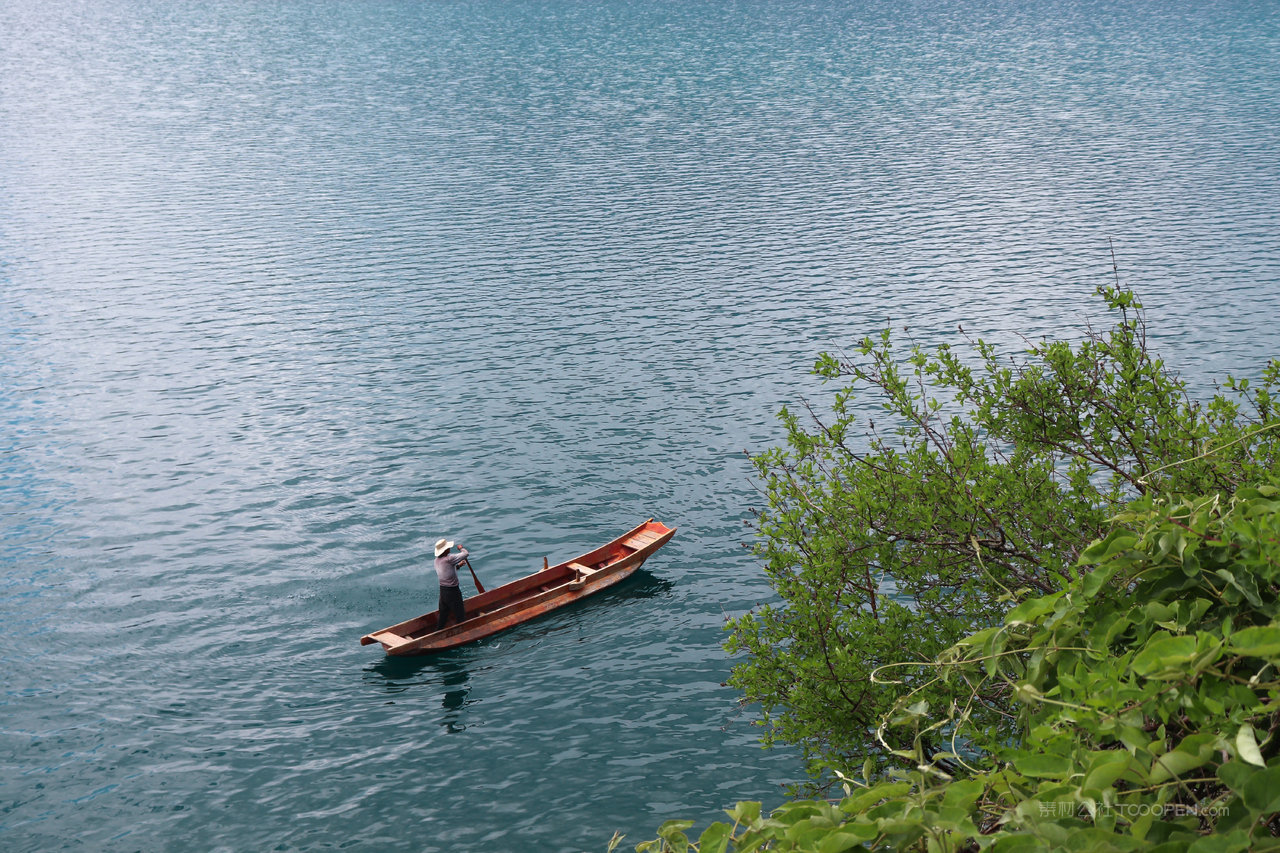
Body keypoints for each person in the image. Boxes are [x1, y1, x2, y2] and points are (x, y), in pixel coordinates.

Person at [433, 538, 470, 629]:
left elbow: (447, 572)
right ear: (445, 550)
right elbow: (466, 554)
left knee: (443, 615)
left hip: (443, 592)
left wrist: (458, 566)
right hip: (453, 592)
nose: (449, 548)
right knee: (460, 614)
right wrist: (461, 548)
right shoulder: (449, 558)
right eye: (448, 548)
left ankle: (438, 631)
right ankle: (462, 631)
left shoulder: (436, 561)